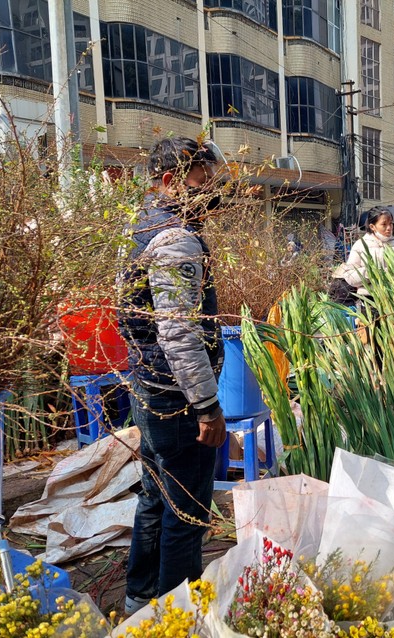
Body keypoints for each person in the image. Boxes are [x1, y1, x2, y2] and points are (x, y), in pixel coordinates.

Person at [118, 137, 227, 614]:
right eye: (204, 183)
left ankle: (140, 600)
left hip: (148, 385)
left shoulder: (141, 226)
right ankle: (179, 617)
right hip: (175, 397)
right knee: (186, 512)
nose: (212, 194)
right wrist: (205, 406)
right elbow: (179, 332)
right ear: (172, 182)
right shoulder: (176, 239)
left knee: (155, 496)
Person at [341, 207, 394, 296]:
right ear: (372, 226)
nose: (389, 228)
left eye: (390, 223)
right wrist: (373, 273)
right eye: (384, 224)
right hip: (371, 298)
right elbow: (350, 276)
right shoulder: (361, 245)